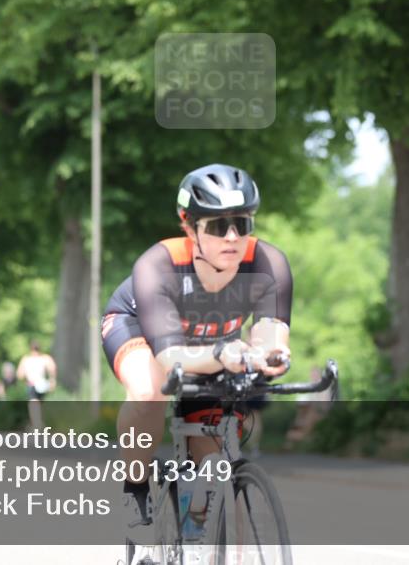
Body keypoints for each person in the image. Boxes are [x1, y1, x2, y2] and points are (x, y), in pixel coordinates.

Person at [100, 164, 292, 542]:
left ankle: (195, 535)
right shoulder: (159, 265)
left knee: (211, 470)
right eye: (219, 226)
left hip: (212, 344)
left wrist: (272, 356)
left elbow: (271, 335)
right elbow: (170, 359)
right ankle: (135, 486)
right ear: (189, 226)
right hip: (143, 329)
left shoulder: (268, 263)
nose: (233, 237)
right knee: (150, 391)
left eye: (243, 223)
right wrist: (224, 353)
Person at [16, 341, 57, 429]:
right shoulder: (45, 358)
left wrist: (26, 377)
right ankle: (39, 423)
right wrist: (52, 380)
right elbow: (53, 368)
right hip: (43, 384)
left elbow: (20, 374)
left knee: (33, 403)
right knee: (40, 404)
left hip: (32, 384)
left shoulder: (26, 359)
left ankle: (36, 423)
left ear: (30, 349)